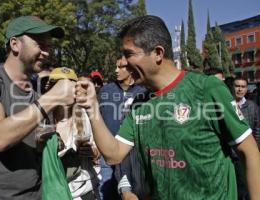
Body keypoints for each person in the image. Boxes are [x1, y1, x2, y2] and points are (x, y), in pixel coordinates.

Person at [76, 15, 260, 199]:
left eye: (129, 54)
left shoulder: (207, 89)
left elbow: (249, 151)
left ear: (157, 53)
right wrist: (92, 107)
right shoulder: (139, 103)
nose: (123, 62)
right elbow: (114, 155)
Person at [0, 16, 75, 200]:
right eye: (40, 44)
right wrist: (54, 97)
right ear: (15, 44)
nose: (46, 53)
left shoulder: (37, 94)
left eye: (49, 47)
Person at [42, 67, 101, 200]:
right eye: (61, 87)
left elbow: (99, 154)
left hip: (83, 191)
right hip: (52, 192)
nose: (67, 92)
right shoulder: (42, 120)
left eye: (71, 87)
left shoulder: (86, 116)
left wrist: (92, 152)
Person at [98, 57, 147, 200]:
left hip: (133, 155)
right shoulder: (105, 90)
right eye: (115, 67)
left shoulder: (143, 93)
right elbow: (98, 119)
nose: (116, 70)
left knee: (132, 194)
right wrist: (96, 145)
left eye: (120, 67)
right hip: (107, 154)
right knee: (106, 192)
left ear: (131, 69)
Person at [233, 76, 260, 200]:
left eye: (243, 86)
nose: (240, 89)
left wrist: (256, 150)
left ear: (247, 89)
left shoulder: (252, 106)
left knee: (247, 187)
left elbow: (258, 129)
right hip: (229, 155)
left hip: (247, 155)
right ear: (232, 87)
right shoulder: (227, 105)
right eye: (237, 86)